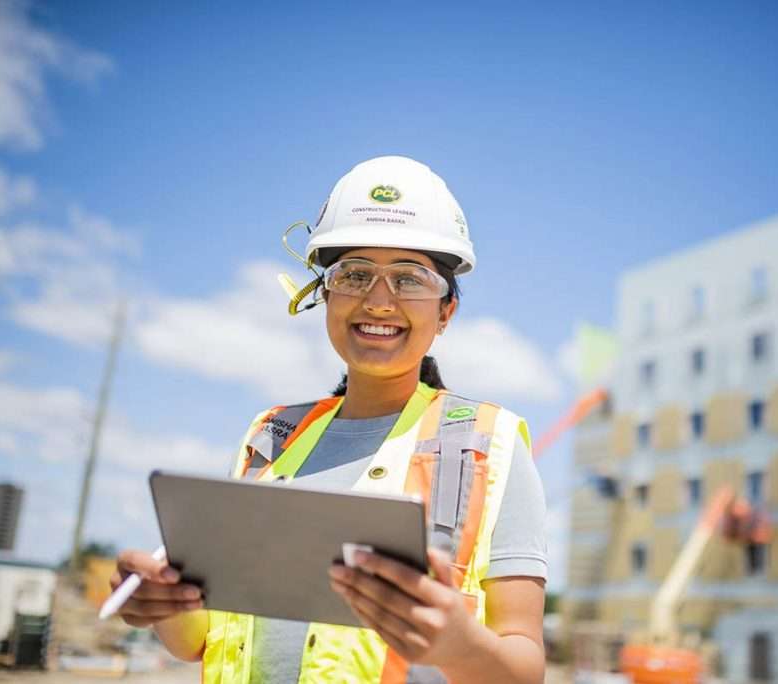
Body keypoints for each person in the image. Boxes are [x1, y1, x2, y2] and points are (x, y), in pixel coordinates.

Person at [110, 156, 548, 683]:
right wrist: (163, 602)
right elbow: (199, 641)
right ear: (325, 293)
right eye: (355, 274)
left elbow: (525, 666)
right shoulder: (271, 436)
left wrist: (459, 647)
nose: (379, 301)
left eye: (410, 279)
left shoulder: (487, 448)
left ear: (445, 312)